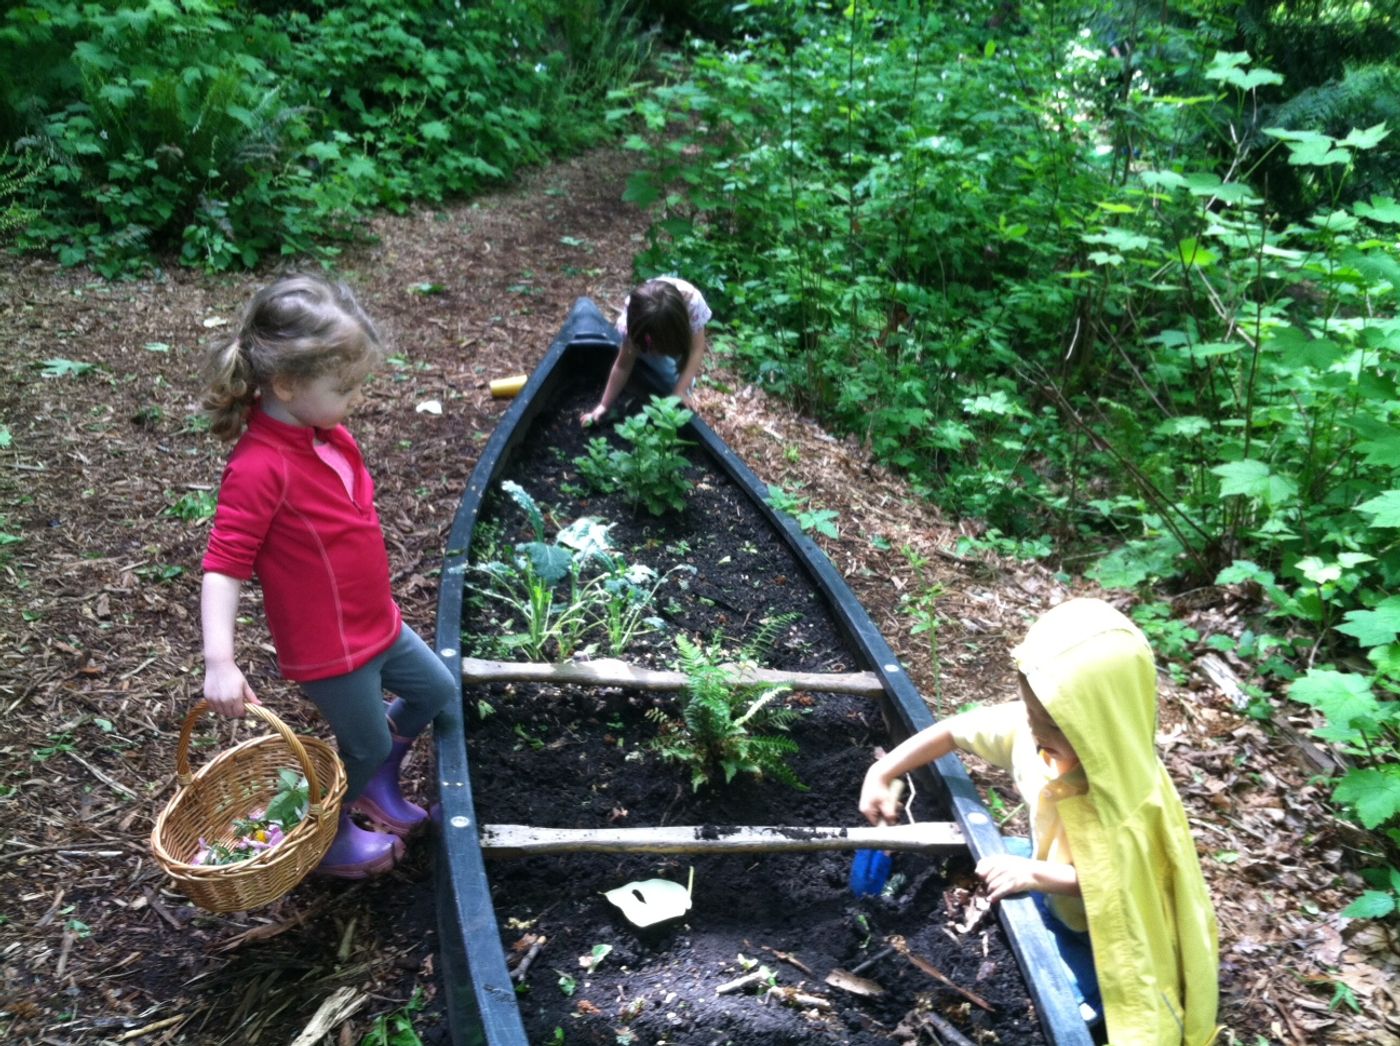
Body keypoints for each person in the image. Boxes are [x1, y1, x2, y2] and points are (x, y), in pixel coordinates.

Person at [859, 598, 1219, 1045]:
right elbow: (952, 731)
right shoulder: (1033, 735)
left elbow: (1122, 886)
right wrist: (885, 770)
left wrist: (1034, 874)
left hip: (1101, 930)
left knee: (1065, 999)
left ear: (1099, 727)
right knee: (965, 865)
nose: (1033, 732)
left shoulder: (1132, 801)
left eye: (1049, 724)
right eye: (1031, 713)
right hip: (1049, 879)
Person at [199, 273, 454, 879]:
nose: (353, 398)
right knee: (361, 742)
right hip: (332, 650)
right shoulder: (260, 468)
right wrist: (219, 661)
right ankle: (325, 835)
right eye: (343, 387)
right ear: (284, 384)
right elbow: (223, 566)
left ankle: (372, 785)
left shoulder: (327, 434)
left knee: (435, 692)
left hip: (377, 625)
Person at [580, 275, 711, 426]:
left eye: (660, 350)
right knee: (667, 380)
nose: (658, 353)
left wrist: (680, 390)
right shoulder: (634, 323)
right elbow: (622, 366)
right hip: (649, 328)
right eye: (653, 349)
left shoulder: (693, 305)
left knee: (679, 386)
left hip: (678, 327)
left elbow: (696, 350)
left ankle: (682, 384)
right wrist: (604, 405)